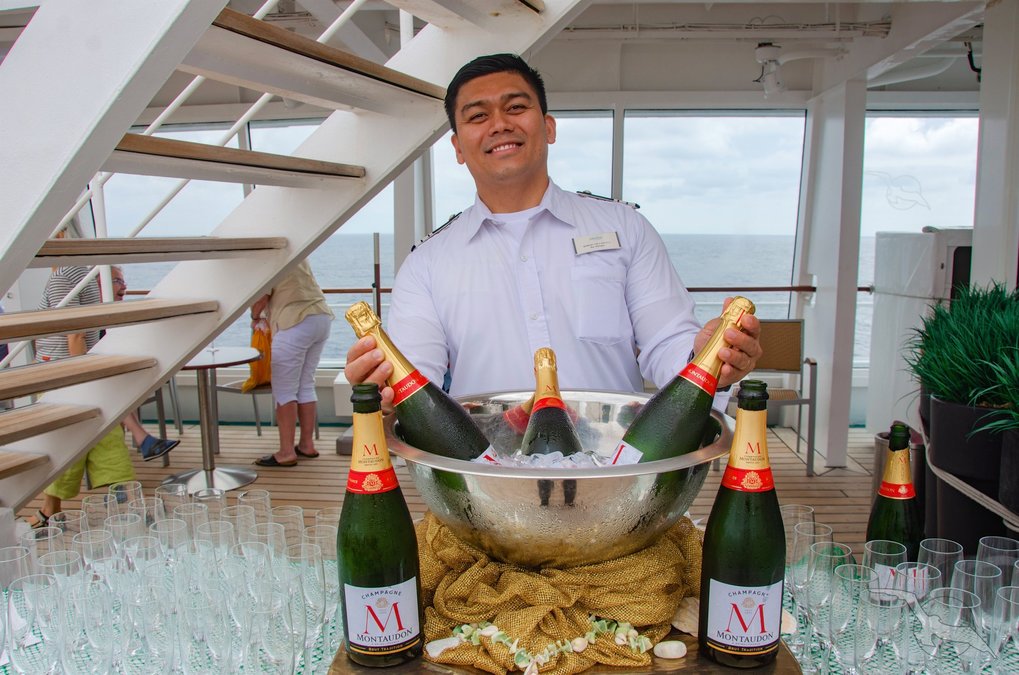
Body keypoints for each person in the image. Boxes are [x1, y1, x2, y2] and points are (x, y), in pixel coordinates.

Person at [345, 53, 761, 406]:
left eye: (515, 107)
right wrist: (383, 387)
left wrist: (711, 357)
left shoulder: (625, 227)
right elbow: (417, 382)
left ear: (549, 127)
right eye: (478, 115)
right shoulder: (427, 264)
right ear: (458, 148)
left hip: (616, 461)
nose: (499, 124)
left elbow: (668, 343)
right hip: (483, 467)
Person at [253, 260, 334, 467]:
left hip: (294, 321)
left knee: (284, 390)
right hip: (320, 316)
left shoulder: (266, 261)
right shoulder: (296, 255)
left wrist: (254, 317)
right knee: (305, 384)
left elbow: (261, 297)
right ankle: (306, 445)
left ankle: (286, 452)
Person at [109, 266, 179, 460]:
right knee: (116, 390)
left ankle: (142, 439)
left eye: (124, 281)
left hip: (119, 377)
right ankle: (142, 438)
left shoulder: (117, 313)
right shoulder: (97, 314)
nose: (124, 287)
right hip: (108, 382)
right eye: (117, 281)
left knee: (119, 388)